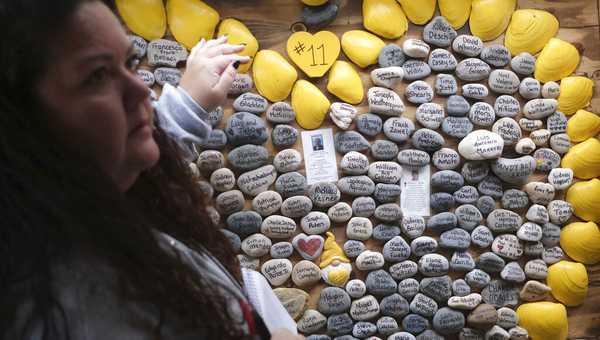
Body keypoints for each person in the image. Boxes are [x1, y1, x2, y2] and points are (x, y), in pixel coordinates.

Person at [0, 0, 304, 339]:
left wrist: (186, 107)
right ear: (18, 123)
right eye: (97, 76)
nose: (141, 89)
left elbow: (120, 151)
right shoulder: (86, 312)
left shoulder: (80, 205)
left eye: (129, 62)